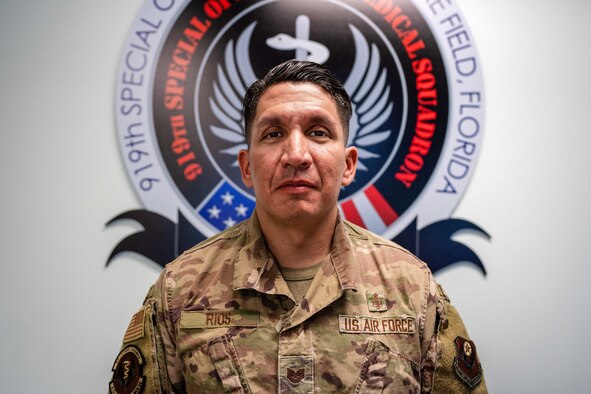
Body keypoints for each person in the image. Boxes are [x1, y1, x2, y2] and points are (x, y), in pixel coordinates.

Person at [109, 60, 487, 393]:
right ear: (245, 166)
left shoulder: (414, 290)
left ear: (349, 165)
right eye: (273, 134)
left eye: (318, 132)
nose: (295, 155)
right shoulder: (181, 291)